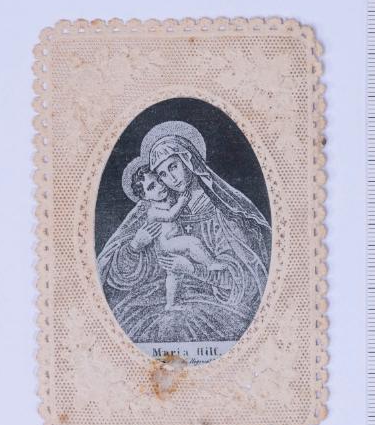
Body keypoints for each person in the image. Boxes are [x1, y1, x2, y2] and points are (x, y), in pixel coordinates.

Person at [97, 121, 271, 348]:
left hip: (214, 303)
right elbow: (116, 277)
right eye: (162, 174)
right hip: (158, 298)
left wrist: (193, 270)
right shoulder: (157, 207)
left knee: (179, 327)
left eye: (173, 166)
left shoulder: (222, 210)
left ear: (188, 160)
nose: (170, 179)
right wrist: (134, 247)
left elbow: (245, 282)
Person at [129, 163, 219, 309]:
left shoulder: (168, 199)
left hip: (173, 242)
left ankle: (171, 304)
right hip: (167, 244)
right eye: (152, 187)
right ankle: (211, 264)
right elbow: (171, 216)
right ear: (144, 196)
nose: (160, 186)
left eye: (160, 180)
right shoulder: (152, 211)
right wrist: (182, 203)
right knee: (193, 242)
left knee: (174, 276)